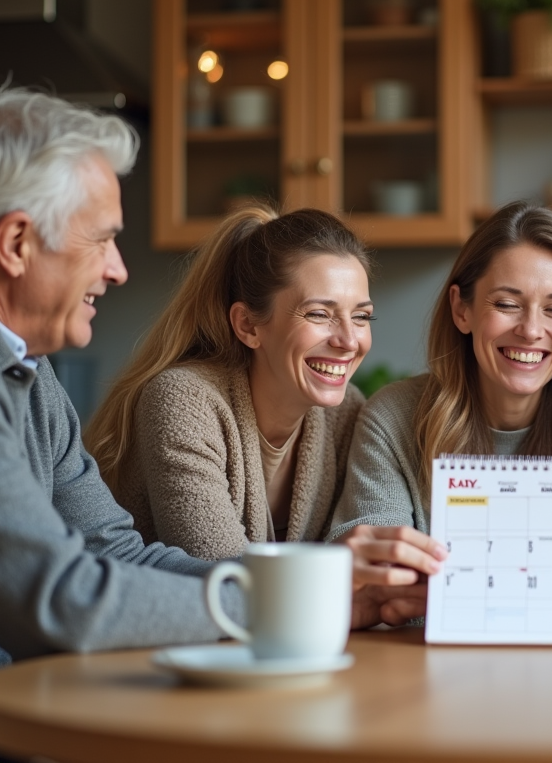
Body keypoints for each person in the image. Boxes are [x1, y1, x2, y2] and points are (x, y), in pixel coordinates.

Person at [0, 88, 243, 759]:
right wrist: (279, 614)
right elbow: (61, 600)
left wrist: (298, 582)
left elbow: (111, 550)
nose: (118, 271)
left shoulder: (29, 372)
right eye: (105, 241)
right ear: (18, 243)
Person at [328, 202, 552, 624]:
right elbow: (377, 582)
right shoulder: (393, 419)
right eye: (508, 304)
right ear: (462, 310)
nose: (531, 330)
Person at [85, 206, 369, 561]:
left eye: (361, 316)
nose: (349, 340)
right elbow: (223, 578)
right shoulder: (182, 401)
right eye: (319, 314)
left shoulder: (348, 415)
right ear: (248, 325)